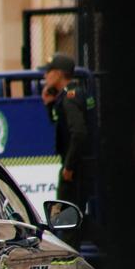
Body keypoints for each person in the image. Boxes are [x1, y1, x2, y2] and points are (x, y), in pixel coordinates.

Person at [41, 53, 94, 227]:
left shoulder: (69, 98)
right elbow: (61, 124)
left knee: (66, 220)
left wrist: (69, 167)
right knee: (72, 218)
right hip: (83, 165)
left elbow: (78, 132)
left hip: (75, 168)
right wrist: (49, 105)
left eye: (48, 72)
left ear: (58, 74)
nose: (45, 76)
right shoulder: (74, 94)